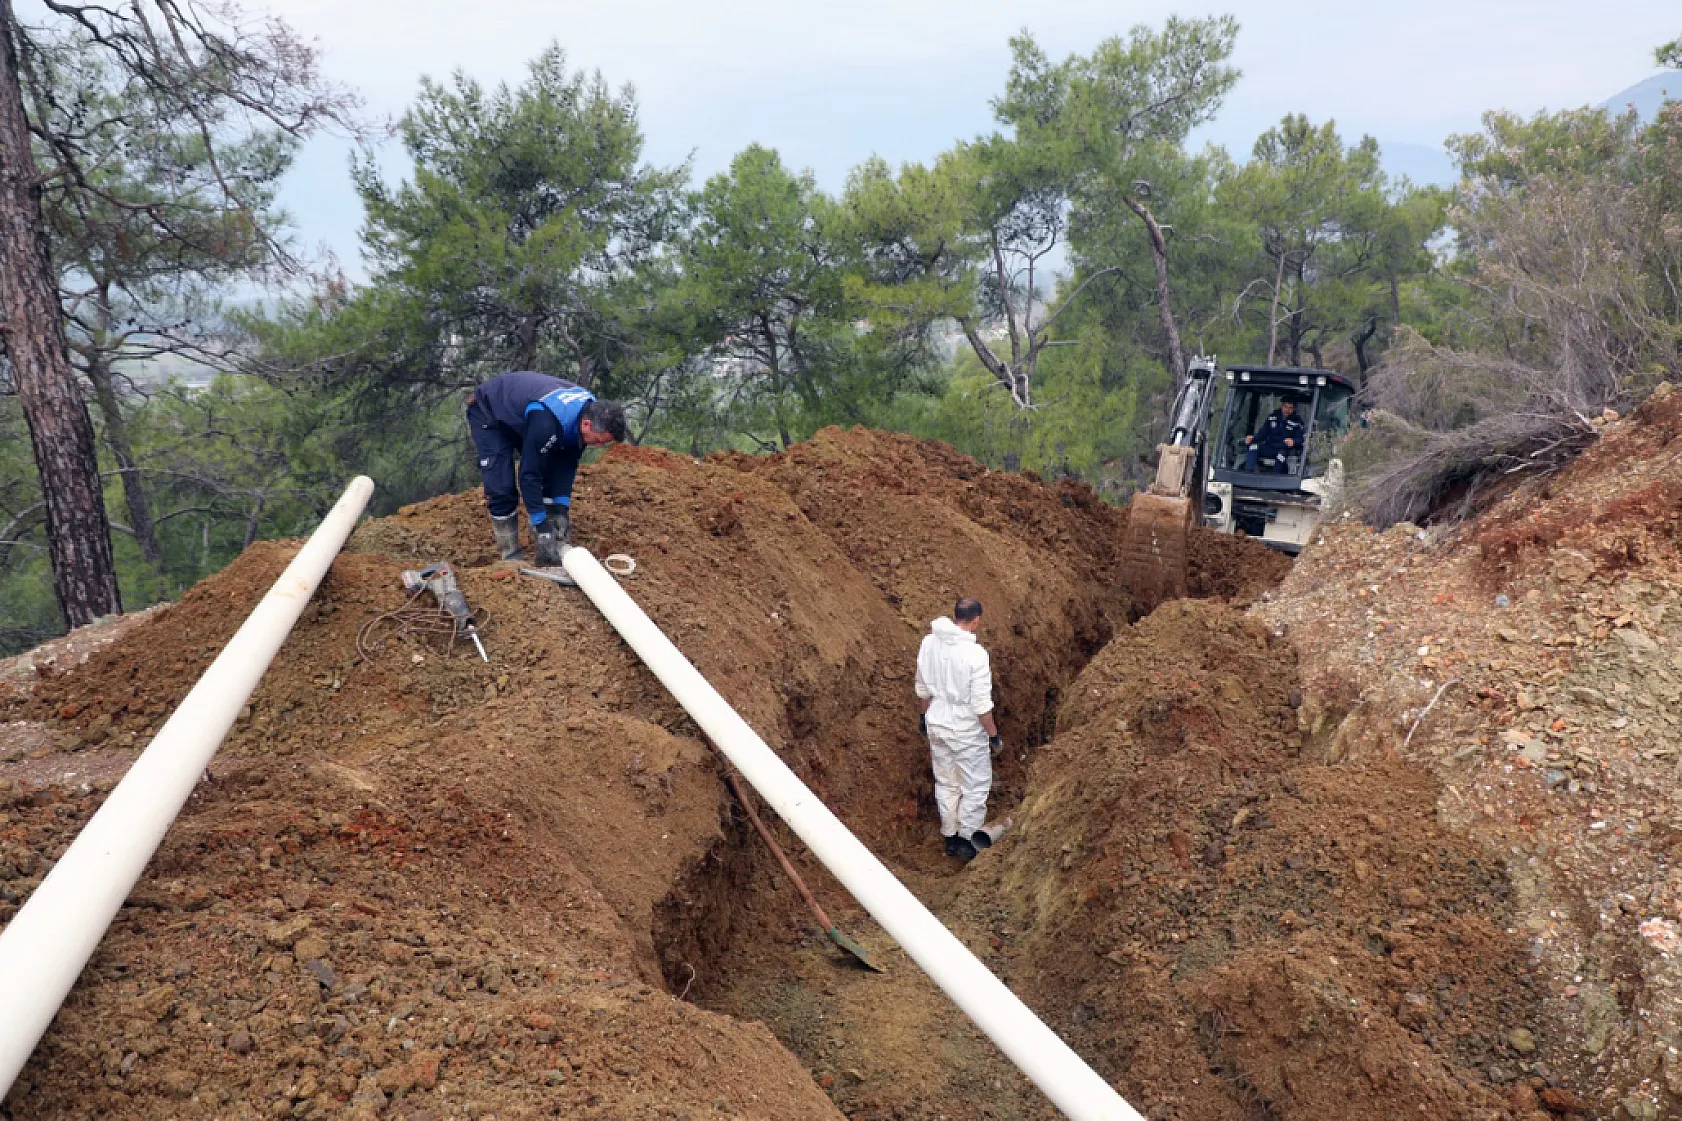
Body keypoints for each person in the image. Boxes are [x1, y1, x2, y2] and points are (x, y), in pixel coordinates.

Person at [466, 372, 628, 564]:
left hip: (524, 413)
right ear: (586, 424)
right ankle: (511, 557)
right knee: (501, 486)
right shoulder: (547, 422)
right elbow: (528, 474)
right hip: (490, 411)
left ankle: (553, 542)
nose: (598, 446)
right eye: (599, 441)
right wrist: (540, 523)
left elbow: (566, 463)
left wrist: (561, 508)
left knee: (550, 469)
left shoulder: (590, 411)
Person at [914, 597, 1002, 862]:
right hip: (964, 729)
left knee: (946, 781)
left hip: (936, 721)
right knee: (975, 785)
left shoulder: (929, 643)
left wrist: (923, 717)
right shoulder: (975, 655)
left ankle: (949, 834)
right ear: (975, 620)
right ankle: (967, 839)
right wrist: (994, 736)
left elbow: (922, 687)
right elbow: (981, 706)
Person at [1242, 396, 1307, 474]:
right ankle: (1248, 473)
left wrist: (1294, 441)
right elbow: (1262, 433)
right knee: (1253, 447)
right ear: (1282, 406)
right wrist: (1252, 438)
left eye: (1290, 408)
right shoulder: (1272, 417)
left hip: (1283, 449)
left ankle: (1274, 478)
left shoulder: (1297, 422)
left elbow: (1301, 439)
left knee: (1281, 456)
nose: (1287, 410)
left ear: (1294, 409)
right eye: (1285, 407)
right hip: (1270, 447)